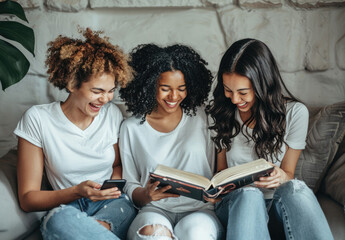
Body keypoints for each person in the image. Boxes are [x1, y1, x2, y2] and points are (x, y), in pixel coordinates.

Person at [14, 28, 136, 240]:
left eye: (110, 90)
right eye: (97, 91)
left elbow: (117, 165)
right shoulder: (38, 119)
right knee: (60, 221)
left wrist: (110, 189)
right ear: (72, 84)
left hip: (113, 203)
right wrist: (78, 191)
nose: (106, 99)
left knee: (102, 224)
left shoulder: (112, 114)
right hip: (66, 207)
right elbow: (28, 198)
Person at [206, 38, 333, 240]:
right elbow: (220, 172)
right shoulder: (221, 113)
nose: (235, 100)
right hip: (237, 204)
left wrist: (281, 176)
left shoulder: (295, 113)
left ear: (263, 84)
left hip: (275, 204)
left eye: (243, 92)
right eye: (228, 90)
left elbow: (289, 173)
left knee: (296, 189)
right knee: (249, 195)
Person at [119, 44, 224, 240]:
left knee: (195, 234)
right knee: (154, 235)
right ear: (149, 86)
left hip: (200, 211)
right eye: (165, 89)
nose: (174, 97)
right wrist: (146, 195)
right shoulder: (131, 128)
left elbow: (220, 170)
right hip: (154, 210)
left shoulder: (205, 118)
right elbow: (130, 183)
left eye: (181, 89)